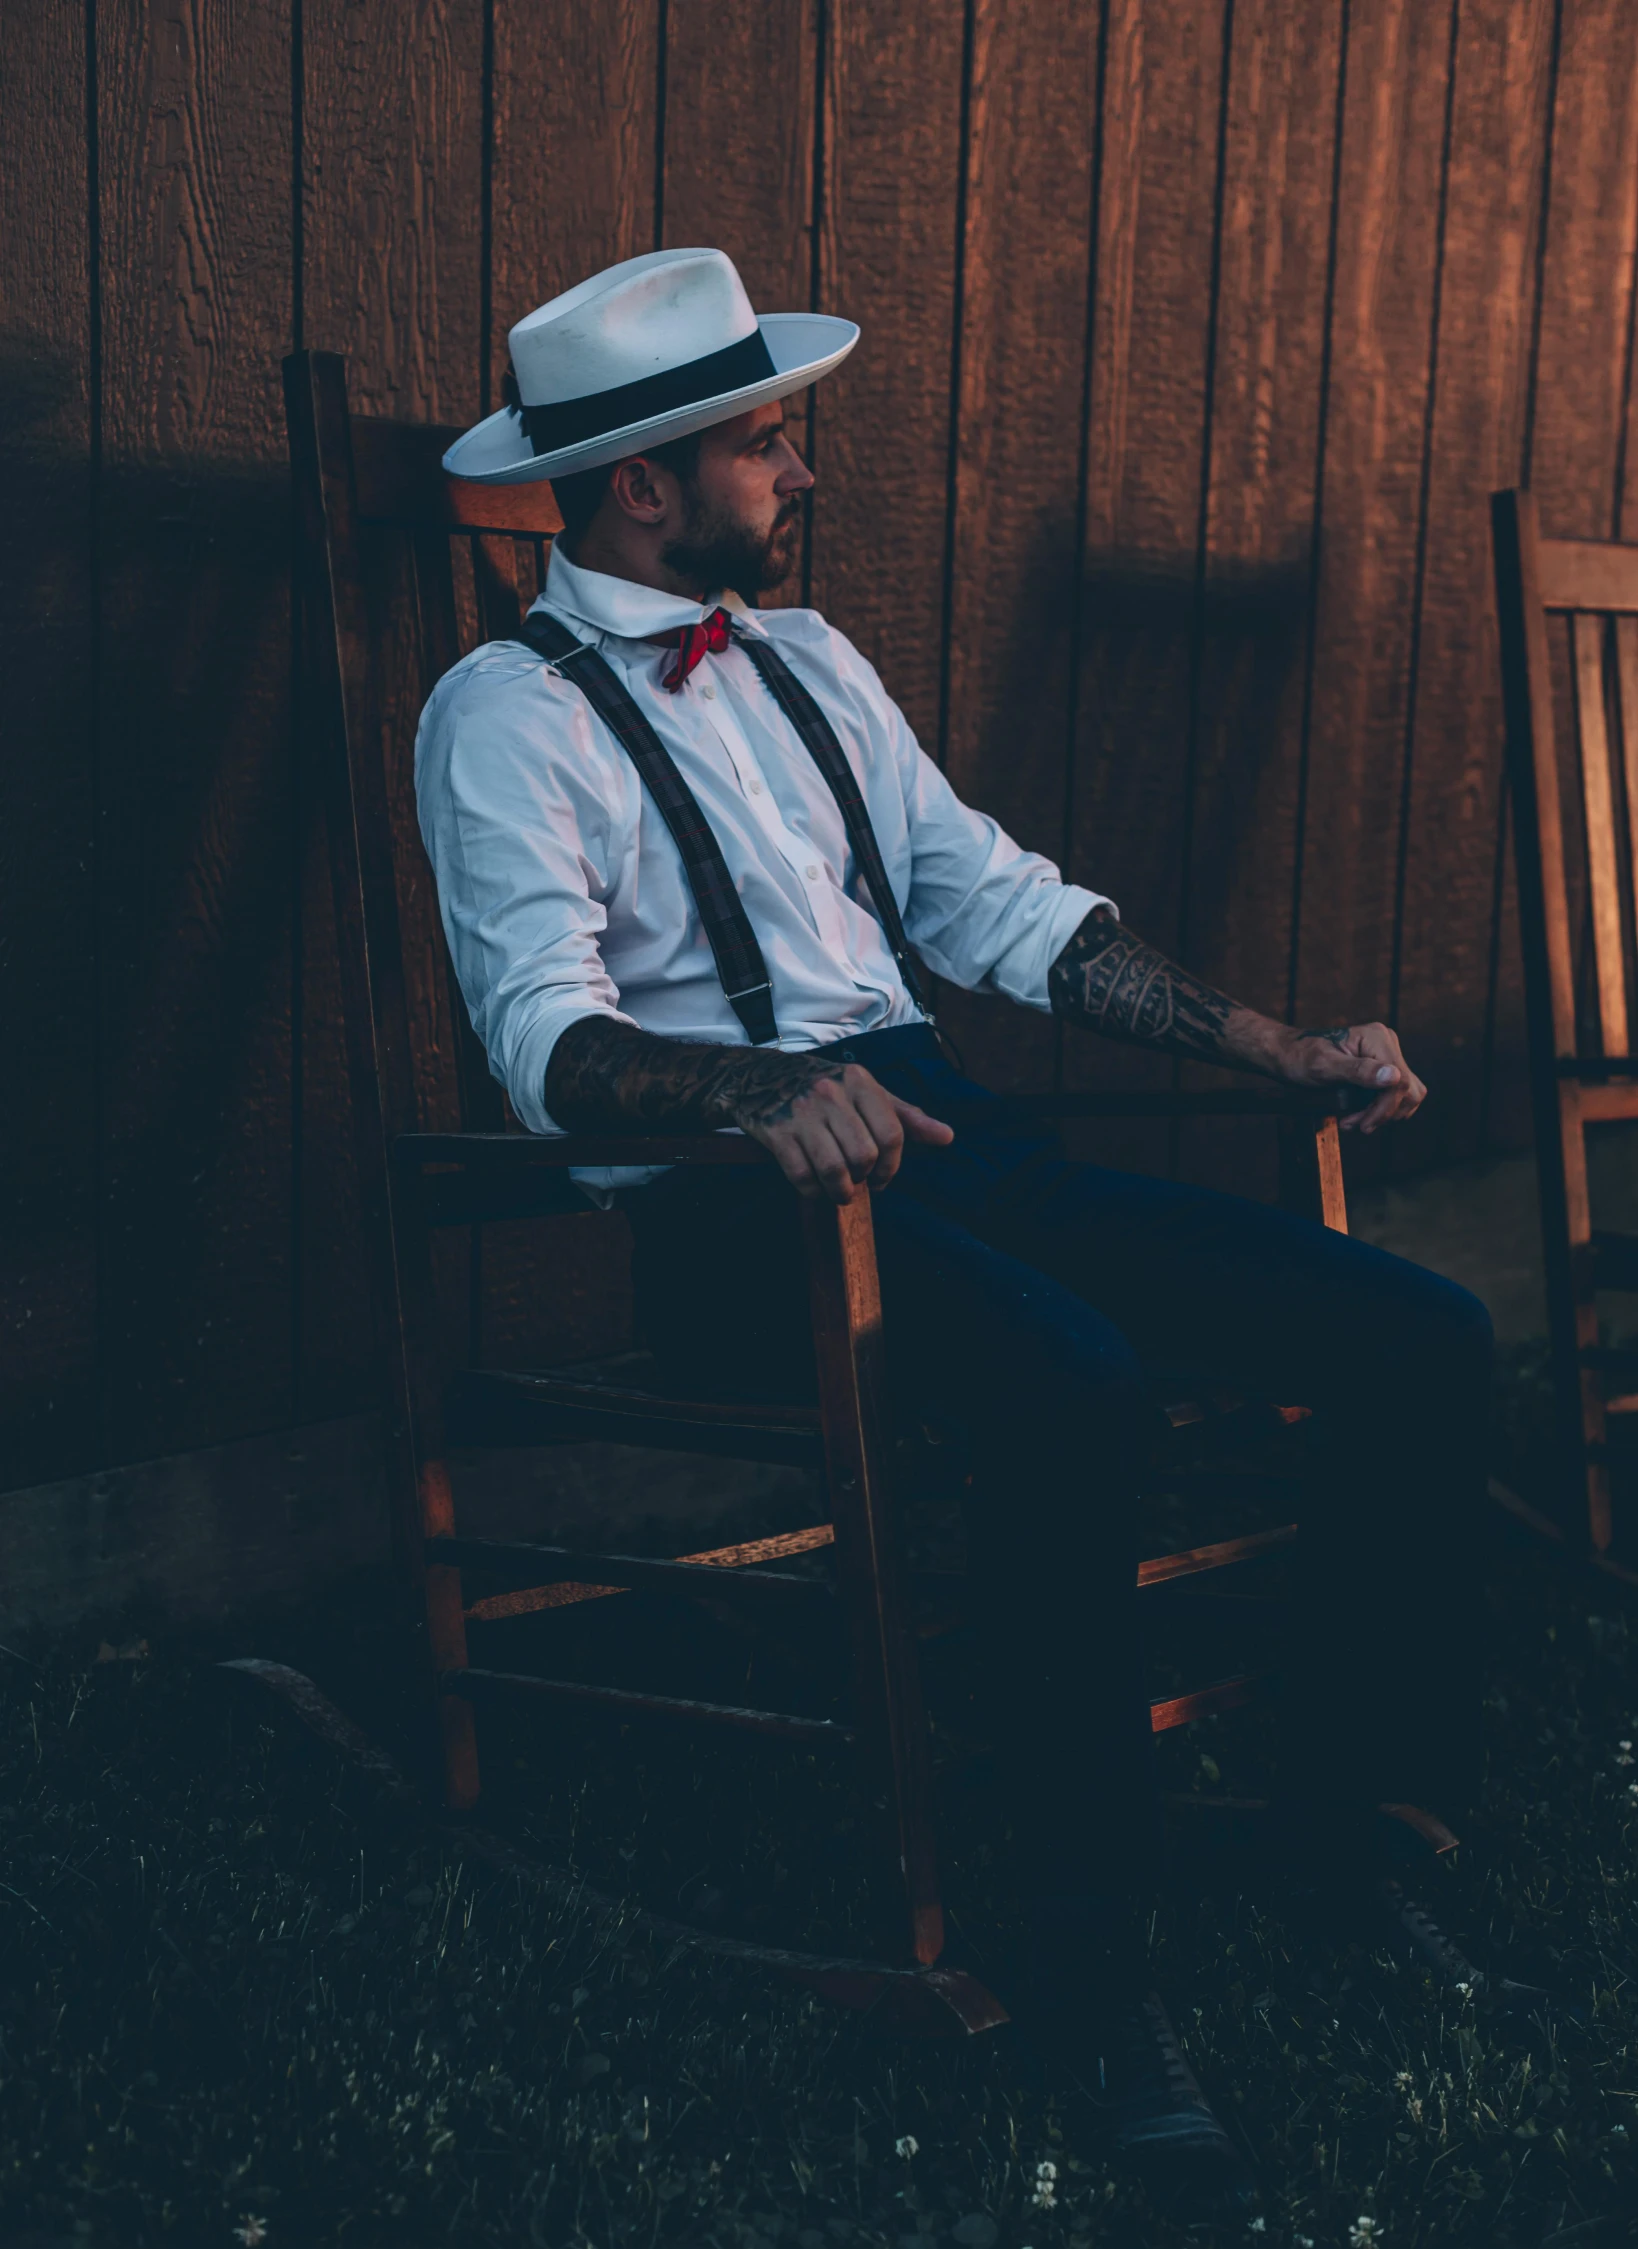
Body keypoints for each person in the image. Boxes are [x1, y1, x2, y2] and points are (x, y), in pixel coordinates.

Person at [421, 248, 1494, 2217]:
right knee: (1074, 1387)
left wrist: (1266, 1040)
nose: (801, 472)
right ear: (646, 483)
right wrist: (757, 1093)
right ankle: (1093, 1981)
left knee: (1422, 1334)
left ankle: (1344, 1827)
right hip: (739, 1215)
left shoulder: (812, 664)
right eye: (767, 441)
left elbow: (1001, 904)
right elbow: (542, 1041)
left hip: (959, 1137)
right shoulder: (498, 716)